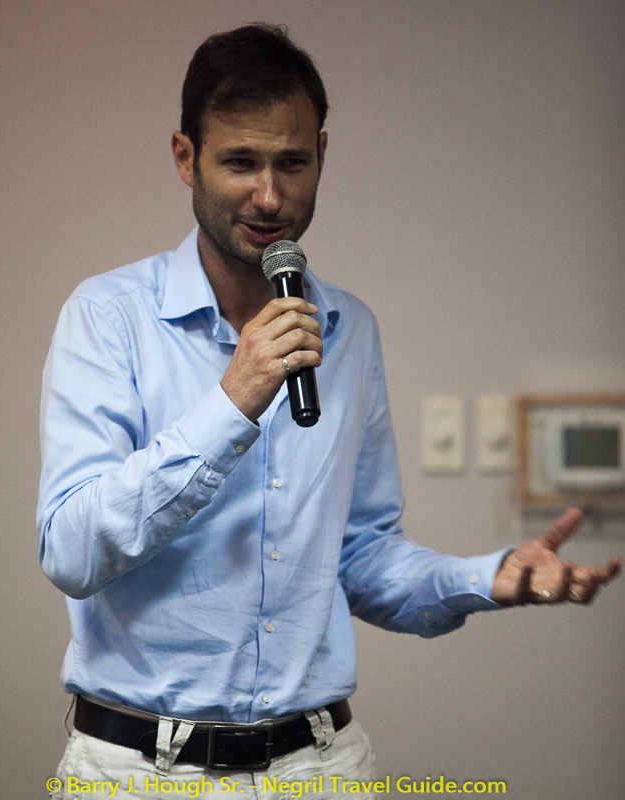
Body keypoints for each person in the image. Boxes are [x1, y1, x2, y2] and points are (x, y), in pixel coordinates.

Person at [38, 23, 621, 800]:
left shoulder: (348, 330)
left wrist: (490, 578)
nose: (269, 196)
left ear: (321, 154)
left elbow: (362, 558)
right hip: (139, 769)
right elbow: (71, 552)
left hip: (318, 766)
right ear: (185, 157)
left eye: (292, 162)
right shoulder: (108, 317)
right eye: (239, 162)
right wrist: (232, 403)